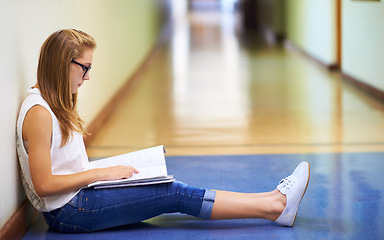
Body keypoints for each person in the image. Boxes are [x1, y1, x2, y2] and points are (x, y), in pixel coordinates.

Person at [16, 29, 310, 233]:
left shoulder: (51, 103)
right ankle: (275, 205)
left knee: (166, 186)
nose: (88, 76)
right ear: (62, 64)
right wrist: (101, 173)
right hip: (71, 211)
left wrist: (102, 173)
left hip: (79, 198)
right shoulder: (39, 114)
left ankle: (272, 200)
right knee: (173, 193)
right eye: (84, 68)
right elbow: (44, 185)